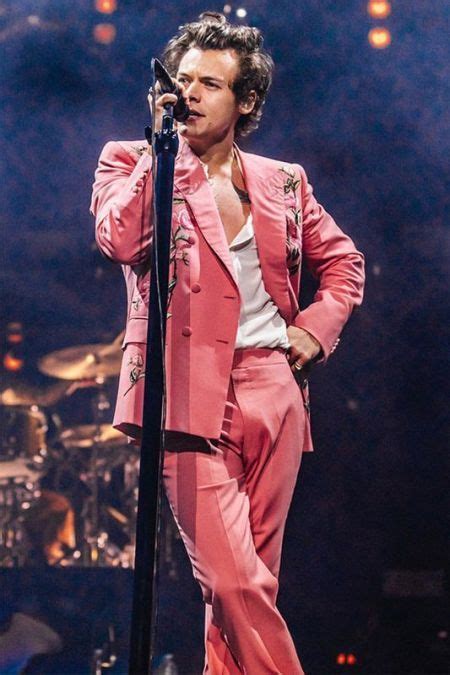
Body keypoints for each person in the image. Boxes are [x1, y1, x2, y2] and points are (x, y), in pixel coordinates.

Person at [91, 11, 365, 674]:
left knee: (246, 592)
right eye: (182, 80)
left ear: (245, 101)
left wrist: (313, 328)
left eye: (209, 83)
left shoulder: (283, 180)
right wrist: (170, 156)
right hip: (183, 393)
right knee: (234, 582)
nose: (190, 93)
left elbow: (345, 263)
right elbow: (121, 239)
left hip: (274, 391)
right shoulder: (132, 161)